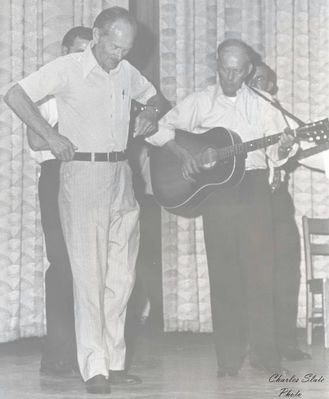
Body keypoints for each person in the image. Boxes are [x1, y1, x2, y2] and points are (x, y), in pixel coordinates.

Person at [4, 7, 165, 394]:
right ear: (96, 35)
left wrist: (152, 113)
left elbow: (154, 97)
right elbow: (15, 94)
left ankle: (113, 360)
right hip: (83, 175)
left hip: (120, 176)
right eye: (113, 46)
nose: (118, 55)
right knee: (89, 276)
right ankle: (94, 366)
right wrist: (51, 135)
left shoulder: (126, 71)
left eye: (125, 49)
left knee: (122, 277)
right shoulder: (68, 67)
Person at [147, 39, 296, 377]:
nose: (229, 77)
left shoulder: (265, 104)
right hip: (219, 195)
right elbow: (159, 128)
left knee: (261, 275)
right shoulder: (199, 102)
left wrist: (285, 147)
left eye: (236, 71)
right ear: (216, 64)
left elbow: (277, 154)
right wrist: (185, 155)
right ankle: (227, 361)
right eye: (224, 68)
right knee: (223, 277)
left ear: (248, 71)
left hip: (255, 189)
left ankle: (265, 356)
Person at [25, 26, 93, 377]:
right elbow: (37, 142)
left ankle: (95, 357)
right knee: (64, 267)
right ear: (64, 51)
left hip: (95, 180)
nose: (84, 61)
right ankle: (58, 355)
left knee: (96, 269)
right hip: (58, 176)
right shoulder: (50, 90)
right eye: (78, 53)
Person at [249, 62, 311, 361]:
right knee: (256, 275)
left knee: (287, 271)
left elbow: (290, 156)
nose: (257, 85)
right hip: (249, 202)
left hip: (278, 202)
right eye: (252, 80)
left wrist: (287, 147)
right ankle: (260, 345)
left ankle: (286, 342)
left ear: (271, 88)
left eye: (262, 81)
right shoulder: (239, 116)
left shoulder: (279, 117)